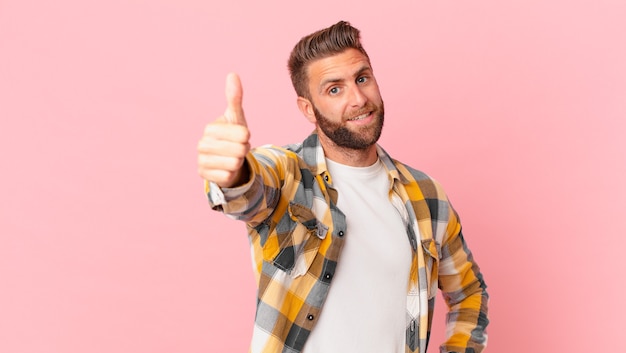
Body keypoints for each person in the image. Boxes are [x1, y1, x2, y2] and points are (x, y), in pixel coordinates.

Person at [197, 20, 489, 353]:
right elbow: (249, 191)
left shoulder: (427, 196)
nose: (358, 98)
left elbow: (469, 293)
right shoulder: (287, 174)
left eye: (362, 78)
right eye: (334, 89)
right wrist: (232, 173)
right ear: (309, 108)